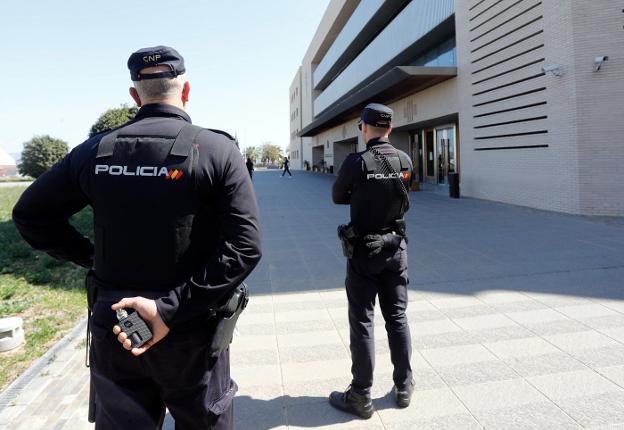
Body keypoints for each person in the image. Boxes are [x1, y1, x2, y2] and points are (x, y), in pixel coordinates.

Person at [12, 45, 262, 430]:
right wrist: (168, 311)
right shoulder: (217, 150)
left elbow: (30, 214)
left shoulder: (95, 151)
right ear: (186, 90)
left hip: (118, 324)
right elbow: (244, 246)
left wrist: (89, 256)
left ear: (134, 95)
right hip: (190, 328)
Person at [330, 103, 414, 419]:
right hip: (396, 248)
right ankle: (404, 386)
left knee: (363, 320)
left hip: (365, 251)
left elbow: (338, 196)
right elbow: (406, 194)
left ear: (363, 128)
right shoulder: (405, 160)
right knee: (397, 317)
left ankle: (361, 395)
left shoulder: (357, 162)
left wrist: (362, 193)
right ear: (389, 129)